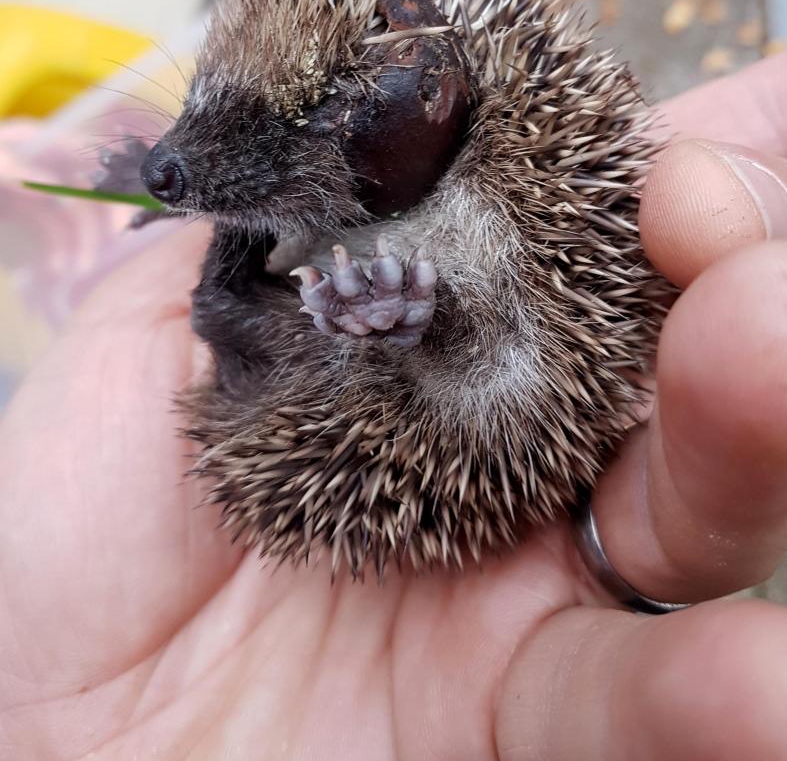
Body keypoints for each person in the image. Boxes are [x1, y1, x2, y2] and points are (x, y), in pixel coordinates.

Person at [1, 55, 787, 760]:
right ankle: (376, 320)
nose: (170, 163)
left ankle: (402, 327)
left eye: (288, 131)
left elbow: (506, 382)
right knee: (298, 303)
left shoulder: (509, 209)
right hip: (303, 393)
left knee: (476, 358)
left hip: (440, 400)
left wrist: (415, 324)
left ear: (432, 102)